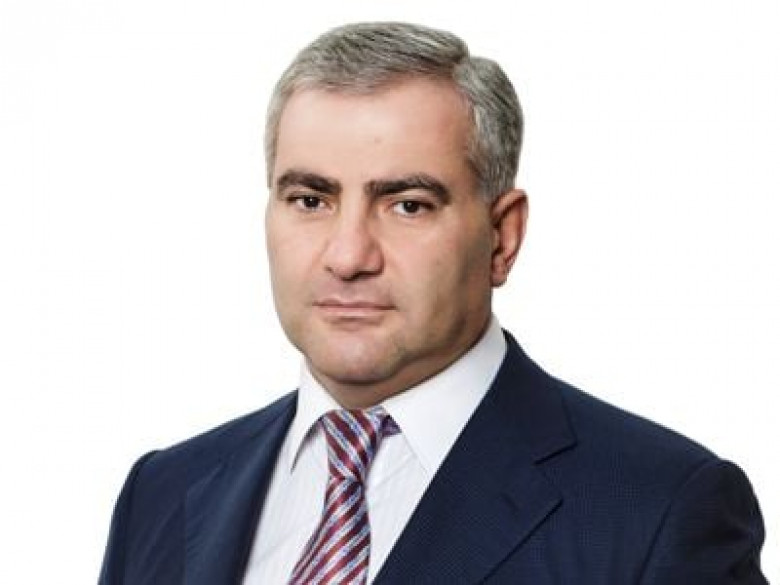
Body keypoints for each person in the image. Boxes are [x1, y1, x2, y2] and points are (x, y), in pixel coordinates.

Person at [99, 22, 768, 584]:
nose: (348, 255)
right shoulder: (163, 493)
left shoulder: (660, 511)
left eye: (407, 205)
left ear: (502, 236)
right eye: (310, 199)